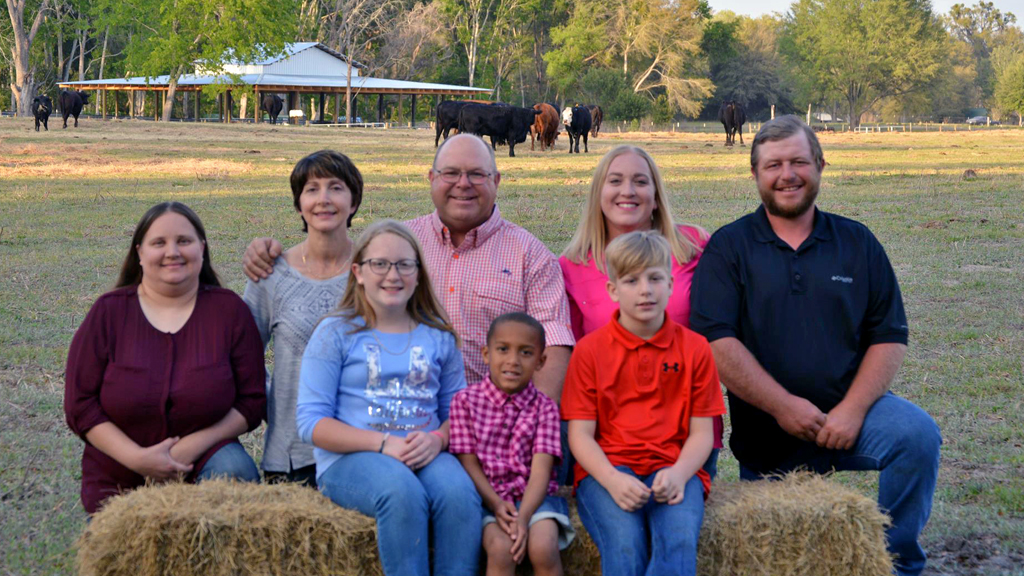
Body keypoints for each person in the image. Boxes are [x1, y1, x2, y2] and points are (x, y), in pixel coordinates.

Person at [688, 115, 941, 576]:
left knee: (917, 436)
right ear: (754, 175)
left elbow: (889, 335)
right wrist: (783, 406)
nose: (787, 175)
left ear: (820, 165)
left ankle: (897, 563)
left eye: (799, 162)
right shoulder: (729, 247)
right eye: (773, 165)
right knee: (776, 558)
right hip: (768, 430)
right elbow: (716, 341)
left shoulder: (856, 241)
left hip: (854, 415)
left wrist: (853, 410)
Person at [243, 133, 574, 401]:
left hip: (500, 423)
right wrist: (270, 253)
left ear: (497, 180)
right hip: (408, 416)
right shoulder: (397, 243)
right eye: (450, 174)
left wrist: (525, 424)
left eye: (476, 174)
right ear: (431, 179)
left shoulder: (532, 256)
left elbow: (555, 349)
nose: (463, 183)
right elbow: (331, 271)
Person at [295, 219, 481, 576]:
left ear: (418, 273)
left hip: (424, 449)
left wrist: (438, 439)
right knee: (401, 494)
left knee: (459, 495)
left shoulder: (439, 335)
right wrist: (383, 444)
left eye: (404, 265)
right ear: (358, 272)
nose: (392, 275)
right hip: (352, 458)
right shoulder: (336, 332)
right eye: (379, 264)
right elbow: (311, 423)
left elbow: (458, 413)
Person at [64, 202, 265, 515]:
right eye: (159, 243)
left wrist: (190, 446)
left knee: (235, 470)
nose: (172, 252)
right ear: (140, 253)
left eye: (183, 241)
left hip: (204, 461)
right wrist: (138, 459)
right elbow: (80, 405)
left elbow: (251, 402)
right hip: (119, 471)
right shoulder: (108, 313)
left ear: (202, 248)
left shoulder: (230, 312)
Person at [562, 231, 725, 576]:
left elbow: (702, 434)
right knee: (625, 545)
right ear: (613, 290)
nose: (645, 290)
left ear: (671, 285)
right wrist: (611, 478)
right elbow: (580, 436)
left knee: (678, 543)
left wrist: (680, 475)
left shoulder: (696, 349)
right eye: (632, 280)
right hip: (608, 470)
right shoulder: (590, 351)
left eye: (655, 278)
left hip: (676, 468)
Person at [559, 144, 723, 479]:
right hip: (610, 443)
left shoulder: (695, 247)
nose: (628, 191)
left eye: (640, 181)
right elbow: (571, 362)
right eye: (615, 181)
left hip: (688, 437)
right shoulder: (571, 265)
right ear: (598, 193)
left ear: (656, 194)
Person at [243, 150, 361, 487]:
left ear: (353, 202)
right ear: (298, 205)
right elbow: (243, 356)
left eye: (336, 187)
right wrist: (276, 403)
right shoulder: (270, 273)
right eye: (312, 189)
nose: (324, 199)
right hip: (292, 454)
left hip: (364, 450)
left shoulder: (375, 269)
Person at [449, 313, 575, 576]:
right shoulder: (464, 402)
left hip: (535, 499)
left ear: (541, 362)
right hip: (487, 497)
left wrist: (525, 517)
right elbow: (468, 462)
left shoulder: (545, 408)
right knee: (501, 549)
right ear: (486, 354)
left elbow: (541, 471)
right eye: (503, 349)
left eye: (526, 353)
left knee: (543, 546)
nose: (513, 361)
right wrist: (495, 503)